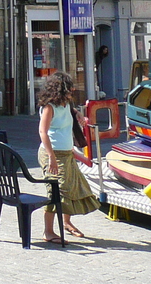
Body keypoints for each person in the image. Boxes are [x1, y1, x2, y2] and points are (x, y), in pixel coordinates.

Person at [38, 70, 99, 242]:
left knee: (71, 187)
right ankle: (48, 231)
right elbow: (43, 132)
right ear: (60, 89)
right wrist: (51, 157)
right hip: (52, 154)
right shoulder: (49, 107)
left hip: (66, 153)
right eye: (69, 88)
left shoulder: (65, 106)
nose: (72, 91)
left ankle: (66, 222)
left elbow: (69, 115)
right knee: (56, 190)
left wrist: (77, 113)